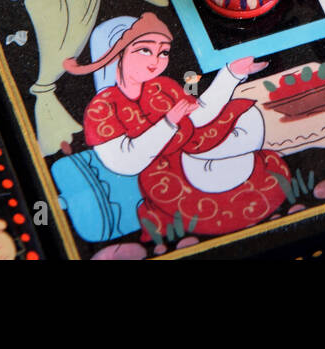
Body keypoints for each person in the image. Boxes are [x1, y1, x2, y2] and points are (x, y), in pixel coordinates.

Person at [64, 13, 289, 240]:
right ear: (118, 53)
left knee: (248, 115)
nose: (156, 61)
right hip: (168, 173)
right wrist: (168, 123)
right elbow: (125, 163)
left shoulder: (161, 86)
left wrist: (231, 74)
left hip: (196, 143)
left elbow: (198, 115)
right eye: (144, 50)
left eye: (163, 52)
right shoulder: (102, 107)